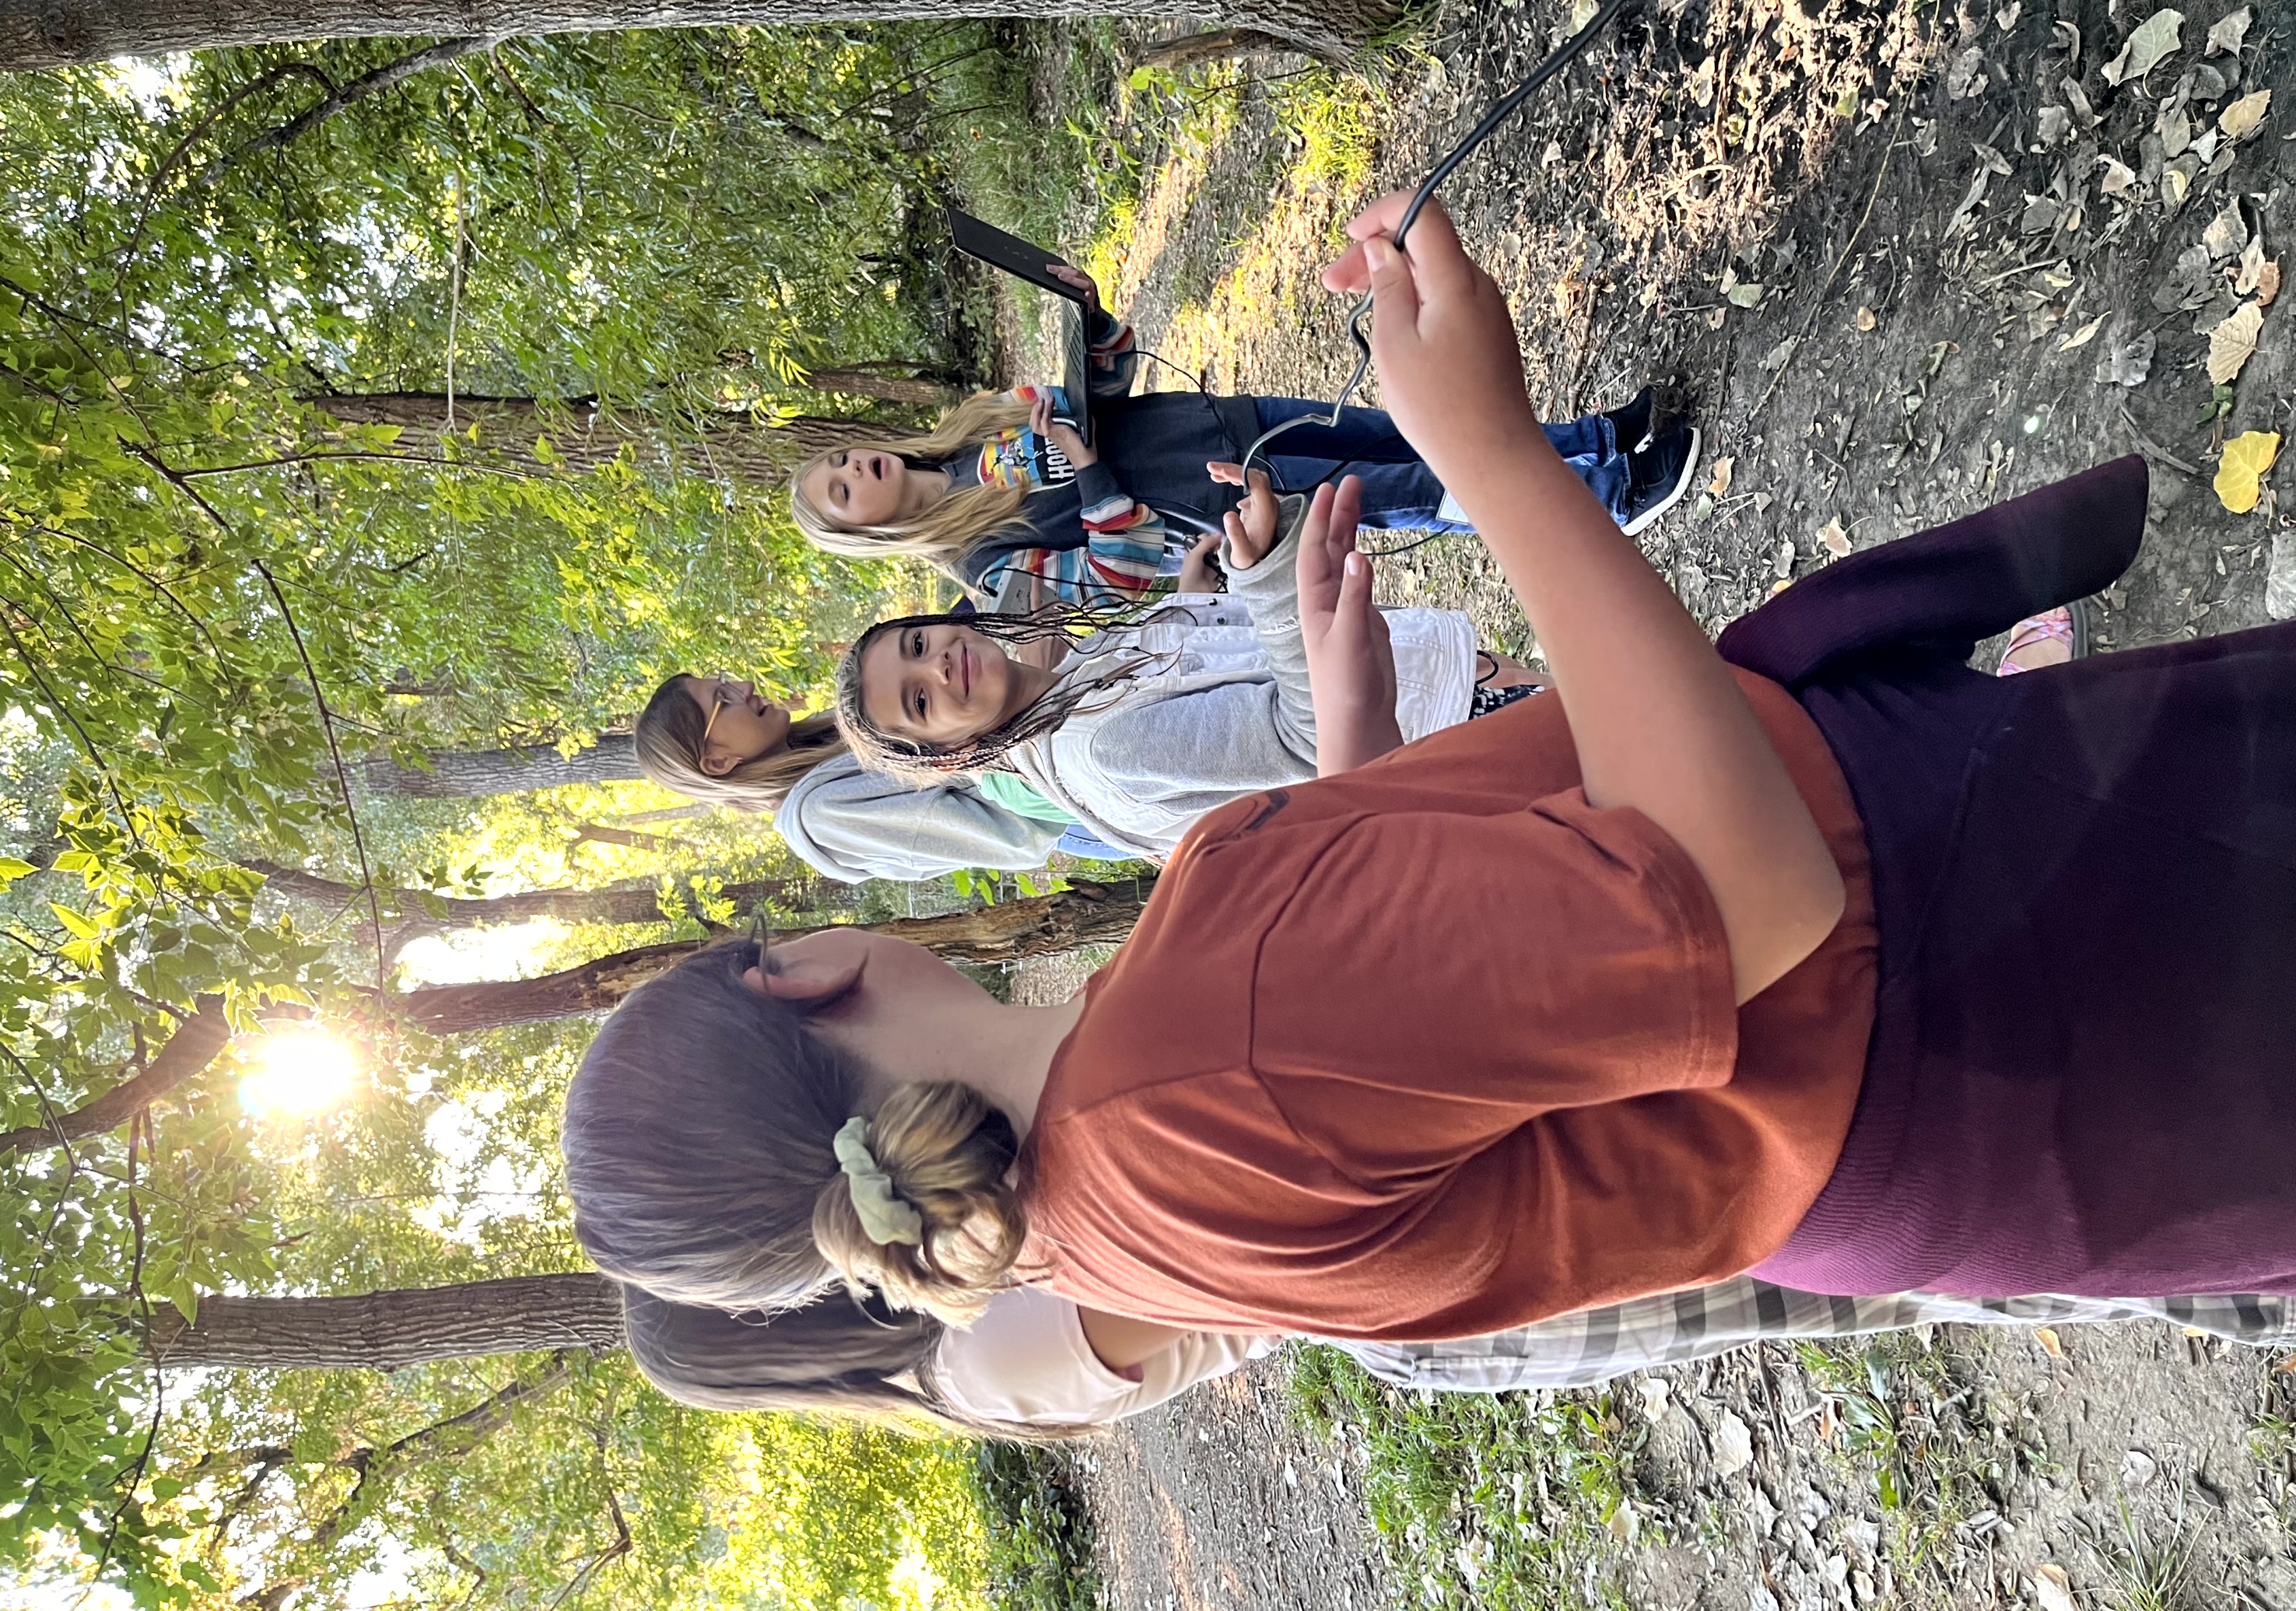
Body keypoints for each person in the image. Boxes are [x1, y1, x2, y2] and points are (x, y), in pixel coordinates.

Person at [563, 191, 2296, 1343]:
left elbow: (1431, 1101)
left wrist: (1354, 758)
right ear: (795, 971)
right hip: (1995, 955)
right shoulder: (1185, 1077)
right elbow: (1747, 903)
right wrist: (1485, 447)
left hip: (1961, 1071)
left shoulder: (1086, 1206)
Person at [787, 264, 1698, 611]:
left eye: (838, 460)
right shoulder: (981, 566)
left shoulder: (969, 427)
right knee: (1421, 494)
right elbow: (1118, 575)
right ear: (859, 530)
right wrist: (1088, 471)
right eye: (841, 491)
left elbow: (1106, 381)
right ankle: (1606, 503)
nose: (854, 469)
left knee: (1422, 434)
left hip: (1227, 420)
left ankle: (1592, 442)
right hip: (1230, 498)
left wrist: (1088, 318)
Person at [829, 467, 1541, 858]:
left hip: (1443, 692)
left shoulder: (1070, 686)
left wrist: (1204, 595)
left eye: (915, 646)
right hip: (1457, 730)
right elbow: (1310, 736)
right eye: (919, 702)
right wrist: (1269, 579)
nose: (937, 669)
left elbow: (1213, 690)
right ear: (949, 752)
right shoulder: (1096, 746)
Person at [622, 1277, 2295, 1434]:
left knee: (1846, 1236)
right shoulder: (974, 1351)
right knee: (1839, 1257)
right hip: (1432, 1294)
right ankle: (2228, 1273)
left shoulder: (951, 1334)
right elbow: (1203, 1274)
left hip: (1417, 1283)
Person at [633, 669, 1128, 882]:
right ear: (717, 763)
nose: (743, 686)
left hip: (1060, 756)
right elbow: (1013, 837)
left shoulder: (823, 744)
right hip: (1075, 801)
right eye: (722, 700)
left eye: (724, 682)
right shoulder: (822, 815)